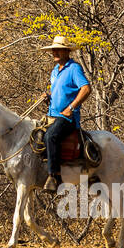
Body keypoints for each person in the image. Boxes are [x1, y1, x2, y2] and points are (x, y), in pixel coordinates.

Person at [40, 36, 92, 191]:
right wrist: (48, 98)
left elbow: (86, 88)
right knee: (35, 134)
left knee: (51, 136)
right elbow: (60, 93)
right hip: (52, 115)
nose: (54, 52)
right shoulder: (55, 71)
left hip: (68, 118)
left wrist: (71, 107)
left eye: (58, 49)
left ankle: (54, 177)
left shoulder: (74, 68)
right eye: (53, 49)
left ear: (66, 51)